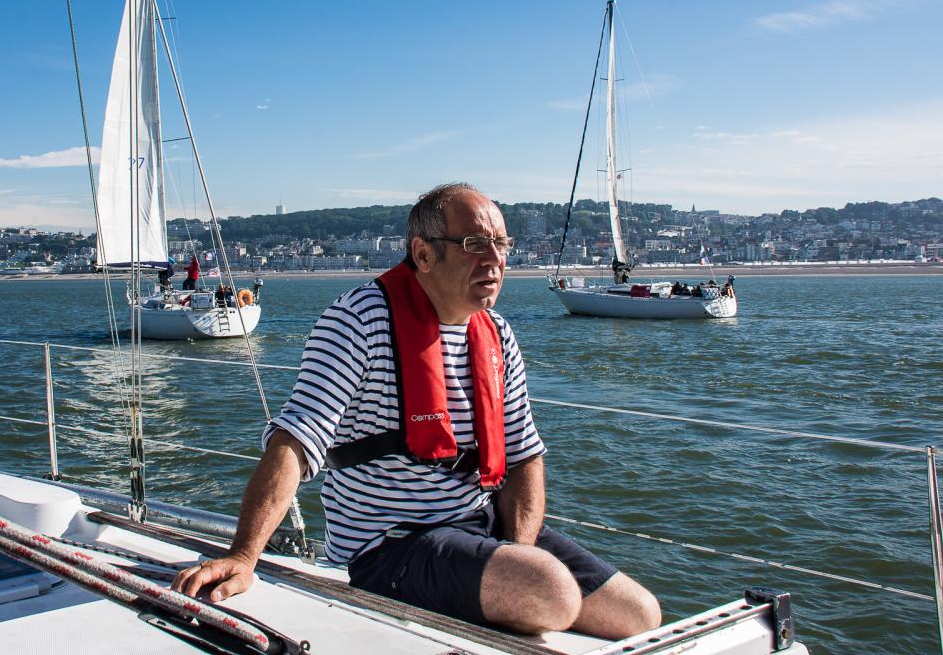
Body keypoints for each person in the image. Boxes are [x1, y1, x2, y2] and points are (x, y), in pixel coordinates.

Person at [172, 183, 660, 639]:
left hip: (479, 522)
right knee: (550, 592)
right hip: (390, 545)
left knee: (639, 613)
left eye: (502, 244)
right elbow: (296, 441)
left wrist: (514, 550)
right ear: (423, 254)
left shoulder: (497, 334)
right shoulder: (359, 321)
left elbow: (523, 455)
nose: (495, 260)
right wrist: (244, 556)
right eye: (474, 244)